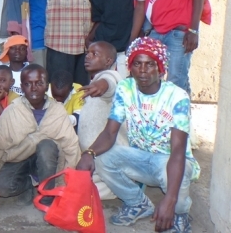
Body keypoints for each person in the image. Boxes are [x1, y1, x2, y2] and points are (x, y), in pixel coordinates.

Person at [77, 37, 198, 232]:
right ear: (130, 67)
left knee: (174, 173)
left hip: (172, 162)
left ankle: (180, 214)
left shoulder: (177, 97)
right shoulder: (125, 89)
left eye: (150, 64)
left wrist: (170, 200)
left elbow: (178, 151)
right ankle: (137, 203)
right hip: (140, 157)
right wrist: (88, 153)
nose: (143, 70)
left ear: (160, 68)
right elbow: (109, 133)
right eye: (137, 64)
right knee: (100, 156)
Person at [0, 64, 80, 214]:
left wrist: (65, 188)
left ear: (47, 86)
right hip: (18, 160)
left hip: (48, 162)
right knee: (3, 188)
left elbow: (72, 148)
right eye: (28, 84)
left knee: (47, 146)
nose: (33, 88)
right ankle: (31, 184)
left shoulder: (58, 111)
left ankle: (47, 196)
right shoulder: (12, 111)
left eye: (39, 83)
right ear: (21, 87)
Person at [77, 41, 128, 200]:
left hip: (106, 155)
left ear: (108, 61)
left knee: (80, 192)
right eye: (88, 53)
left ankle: (126, 185)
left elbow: (110, 82)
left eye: (94, 54)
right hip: (93, 158)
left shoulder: (111, 78)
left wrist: (102, 84)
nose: (88, 56)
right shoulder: (94, 81)